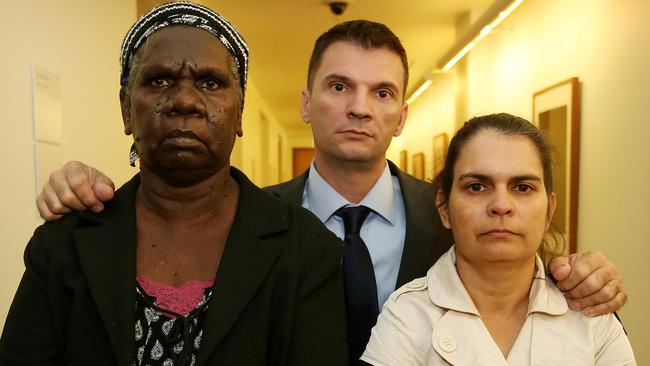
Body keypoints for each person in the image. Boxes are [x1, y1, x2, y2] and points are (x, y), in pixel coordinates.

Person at [33, 20, 627, 364]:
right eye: (339, 85)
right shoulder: (254, 220)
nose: (359, 108)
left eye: (383, 93)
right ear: (306, 102)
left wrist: (581, 271)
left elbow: (519, 265)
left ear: (401, 116)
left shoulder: (456, 214)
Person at [0, 3, 347, 365]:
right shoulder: (63, 245)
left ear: (239, 111)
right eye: (159, 80)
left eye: (210, 83)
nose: (184, 101)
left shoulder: (306, 249)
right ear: (126, 110)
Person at [361, 113, 635, 365]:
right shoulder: (406, 315)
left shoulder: (589, 316)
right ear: (444, 208)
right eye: (477, 187)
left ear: (550, 210)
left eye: (523, 187)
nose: (501, 205)